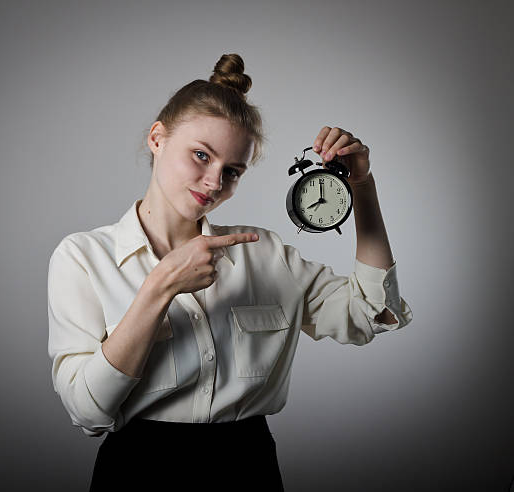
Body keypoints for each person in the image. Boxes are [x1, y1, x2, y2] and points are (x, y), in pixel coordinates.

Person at [47, 53, 413, 491]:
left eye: (232, 171)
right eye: (200, 155)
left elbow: (374, 311)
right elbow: (87, 413)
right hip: (136, 471)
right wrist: (160, 286)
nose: (214, 182)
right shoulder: (83, 257)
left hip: (247, 469)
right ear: (157, 139)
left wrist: (362, 186)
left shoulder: (264, 254)